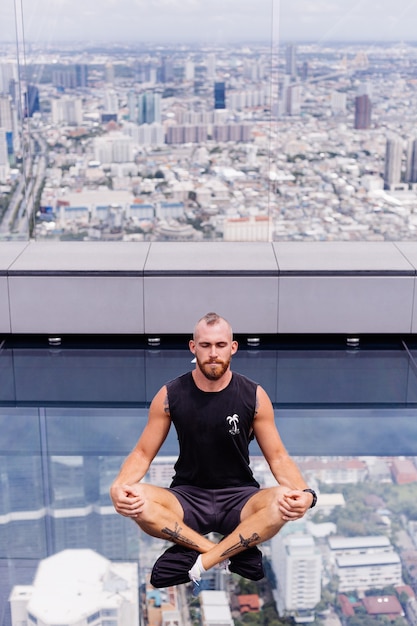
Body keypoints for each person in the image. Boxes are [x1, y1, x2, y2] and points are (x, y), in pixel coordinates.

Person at [110, 312, 316, 593]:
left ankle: (199, 560)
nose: (213, 353)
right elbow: (142, 454)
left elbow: (278, 457)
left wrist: (306, 494)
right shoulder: (171, 394)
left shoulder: (253, 395)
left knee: (282, 500)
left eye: (220, 345)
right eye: (205, 345)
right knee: (137, 500)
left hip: (240, 498)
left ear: (233, 348)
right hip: (186, 497)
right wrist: (119, 486)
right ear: (193, 348)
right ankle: (225, 554)